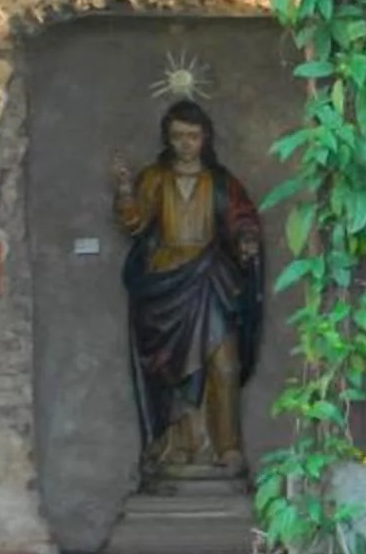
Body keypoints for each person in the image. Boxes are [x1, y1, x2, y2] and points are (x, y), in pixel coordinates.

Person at [111, 99, 265, 486]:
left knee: (224, 365)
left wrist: (246, 238)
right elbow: (133, 224)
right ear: (167, 137)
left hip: (211, 278)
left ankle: (227, 446)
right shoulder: (154, 179)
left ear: (205, 138)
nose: (185, 144)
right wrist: (126, 190)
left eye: (193, 136)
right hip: (165, 284)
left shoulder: (221, 181)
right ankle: (178, 445)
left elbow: (242, 217)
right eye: (177, 136)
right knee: (173, 370)